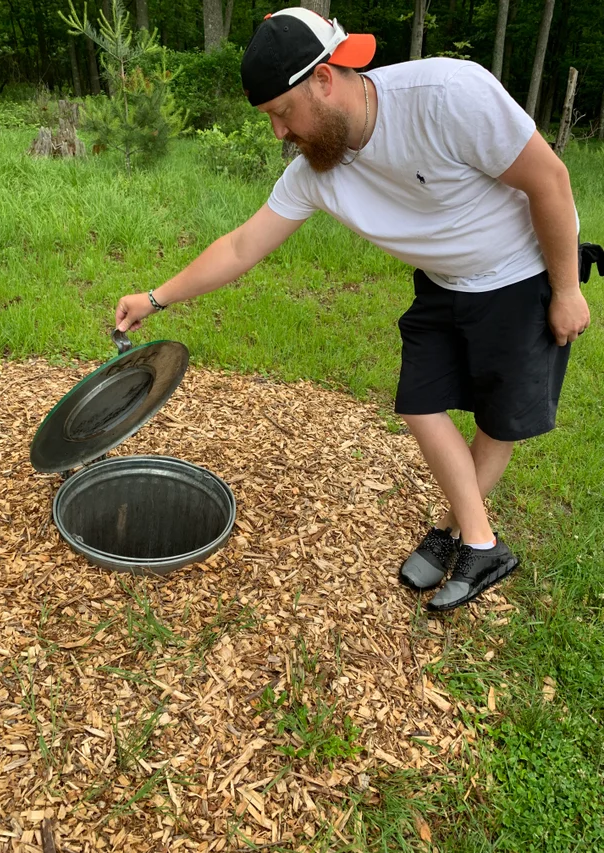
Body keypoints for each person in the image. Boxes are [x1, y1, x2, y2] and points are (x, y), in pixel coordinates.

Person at [115, 8, 591, 612]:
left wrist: (567, 287)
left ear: (324, 78)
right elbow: (241, 246)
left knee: (498, 415)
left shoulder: (445, 94)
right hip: (445, 280)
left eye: (283, 114)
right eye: (270, 119)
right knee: (420, 401)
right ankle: (478, 539)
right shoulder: (317, 167)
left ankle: (461, 535)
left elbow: (550, 180)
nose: (279, 133)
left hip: (523, 270)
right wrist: (154, 298)